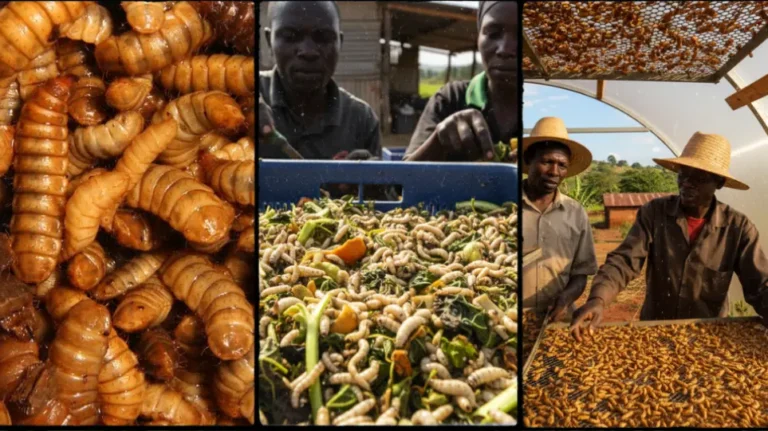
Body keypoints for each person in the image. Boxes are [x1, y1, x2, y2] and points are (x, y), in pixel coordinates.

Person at [570, 132, 768, 341]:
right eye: (683, 174)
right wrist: (598, 299)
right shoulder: (655, 213)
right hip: (657, 329)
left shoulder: (737, 228)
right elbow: (624, 261)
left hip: (709, 335)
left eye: (699, 178)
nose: (687, 183)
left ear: (719, 183)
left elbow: (760, 284)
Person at [259, 1, 381, 160]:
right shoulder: (247, 93)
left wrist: (365, 174)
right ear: (269, 41)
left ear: (340, 44)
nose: (308, 52)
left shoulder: (361, 120)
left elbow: (380, 175)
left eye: (324, 38)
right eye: (290, 37)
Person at [404, 1, 519, 162]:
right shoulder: (451, 99)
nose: (505, 50)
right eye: (493, 33)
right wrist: (437, 143)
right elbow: (403, 176)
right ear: (478, 37)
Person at [521, 117, 598, 322]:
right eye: (547, 162)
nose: (554, 172)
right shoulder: (505, 206)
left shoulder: (575, 213)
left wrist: (565, 299)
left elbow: (581, 273)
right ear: (529, 160)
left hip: (556, 320)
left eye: (562, 165)